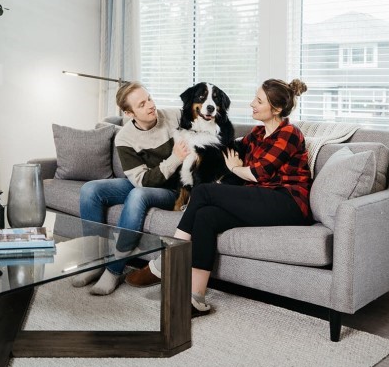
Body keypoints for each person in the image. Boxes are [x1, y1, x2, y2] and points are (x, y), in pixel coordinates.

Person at [126, 79, 312, 317]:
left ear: (275, 109)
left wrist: (235, 168)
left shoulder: (289, 133)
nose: (251, 104)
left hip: (288, 202)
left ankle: (168, 258)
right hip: (262, 199)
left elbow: (258, 173)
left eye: (258, 101)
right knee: (206, 216)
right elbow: (227, 149)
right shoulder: (257, 133)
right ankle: (196, 298)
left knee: (203, 191)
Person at [72, 81, 189, 295]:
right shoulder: (124, 137)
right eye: (142, 104)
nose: (151, 105)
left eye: (149, 98)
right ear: (129, 113)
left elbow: (206, 120)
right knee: (90, 190)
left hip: (173, 190)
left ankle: (114, 269)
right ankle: (94, 262)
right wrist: (174, 159)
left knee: (137, 196)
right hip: (145, 182)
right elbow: (142, 180)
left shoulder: (175, 116)